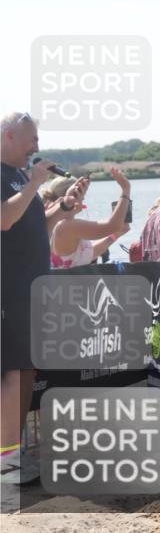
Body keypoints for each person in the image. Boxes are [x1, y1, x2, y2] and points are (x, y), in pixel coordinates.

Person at [1, 112, 78, 482]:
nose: (37, 147)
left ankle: (12, 454)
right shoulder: (7, 175)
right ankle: (7, 462)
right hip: (9, 291)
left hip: (33, 288)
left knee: (27, 371)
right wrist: (34, 183)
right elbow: (4, 219)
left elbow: (32, 225)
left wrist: (61, 210)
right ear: (10, 136)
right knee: (14, 375)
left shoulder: (20, 177)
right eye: (31, 139)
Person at [49, 170, 131, 268]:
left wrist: (115, 235)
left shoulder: (54, 223)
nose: (83, 203)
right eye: (83, 197)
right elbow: (113, 225)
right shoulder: (65, 226)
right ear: (75, 197)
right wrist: (126, 189)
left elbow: (87, 255)